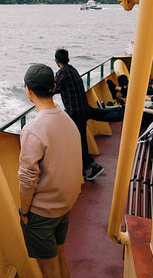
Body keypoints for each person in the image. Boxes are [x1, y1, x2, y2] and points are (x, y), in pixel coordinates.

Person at [18, 63, 82, 278]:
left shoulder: (33, 129)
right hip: (64, 205)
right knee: (61, 257)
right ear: (54, 87)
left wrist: (24, 212)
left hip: (43, 212)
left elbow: (27, 179)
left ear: (28, 91)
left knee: (49, 270)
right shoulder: (67, 119)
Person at [54, 49, 104, 181]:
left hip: (74, 112)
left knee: (74, 140)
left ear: (56, 61)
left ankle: (94, 166)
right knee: (81, 139)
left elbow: (53, 87)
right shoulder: (72, 70)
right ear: (68, 59)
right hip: (83, 110)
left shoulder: (62, 72)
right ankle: (82, 169)